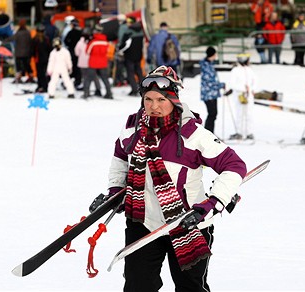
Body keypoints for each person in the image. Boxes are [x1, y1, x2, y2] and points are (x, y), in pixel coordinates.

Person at [91, 65, 247, 292]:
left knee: (190, 287)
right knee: (138, 286)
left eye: (161, 100)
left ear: (174, 99)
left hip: (187, 223)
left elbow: (234, 166)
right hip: (143, 223)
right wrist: (115, 192)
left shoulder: (193, 135)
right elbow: (120, 161)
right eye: (148, 99)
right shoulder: (131, 132)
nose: (154, 106)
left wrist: (212, 203)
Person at [229, 54, 257, 140]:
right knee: (239, 114)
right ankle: (239, 132)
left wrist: (251, 89)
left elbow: (255, 81)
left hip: (249, 96)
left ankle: (249, 133)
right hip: (239, 95)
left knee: (249, 114)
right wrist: (243, 88)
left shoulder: (250, 70)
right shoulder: (235, 70)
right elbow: (233, 84)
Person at [199, 46, 225, 133]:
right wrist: (221, 85)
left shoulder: (209, 64)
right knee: (212, 113)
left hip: (212, 93)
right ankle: (207, 134)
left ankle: (210, 133)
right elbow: (210, 82)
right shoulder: (206, 66)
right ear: (213, 54)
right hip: (208, 93)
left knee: (213, 114)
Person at [85, 24, 113, 99]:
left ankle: (86, 93)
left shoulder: (93, 42)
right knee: (105, 79)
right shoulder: (106, 42)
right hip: (103, 63)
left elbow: (87, 51)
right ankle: (109, 93)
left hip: (93, 62)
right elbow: (108, 52)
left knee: (88, 78)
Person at [118, 17, 144, 96]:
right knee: (139, 72)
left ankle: (134, 90)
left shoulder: (128, 32)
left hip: (129, 56)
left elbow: (125, 45)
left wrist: (120, 50)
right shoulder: (141, 32)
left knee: (130, 73)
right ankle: (143, 88)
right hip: (138, 55)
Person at [74, 28, 102, 98]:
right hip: (91, 62)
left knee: (85, 78)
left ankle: (86, 92)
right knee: (95, 76)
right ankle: (98, 90)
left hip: (82, 63)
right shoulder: (92, 42)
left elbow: (76, 53)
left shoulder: (79, 43)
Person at [6, 19, 35, 84]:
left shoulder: (18, 33)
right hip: (27, 53)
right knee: (27, 66)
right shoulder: (28, 33)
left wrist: (4, 40)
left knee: (18, 66)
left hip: (18, 53)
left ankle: (18, 78)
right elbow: (30, 42)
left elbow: (12, 38)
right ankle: (31, 77)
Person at [30, 24, 51, 93]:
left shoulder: (35, 40)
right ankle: (44, 86)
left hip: (38, 59)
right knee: (43, 73)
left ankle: (40, 86)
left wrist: (33, 56)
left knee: (40, 73)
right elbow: (49, 49)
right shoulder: (46, 39)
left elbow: (32, 50)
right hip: (45, 59)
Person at [64, 18, 82, 89]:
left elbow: (65, 41)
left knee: (70, 67)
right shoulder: (81, 32)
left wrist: (70, 45)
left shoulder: (71, 32)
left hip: (72, 52)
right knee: (78, 68)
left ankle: (67, 81)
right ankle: (78, 81)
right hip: (80, 53)